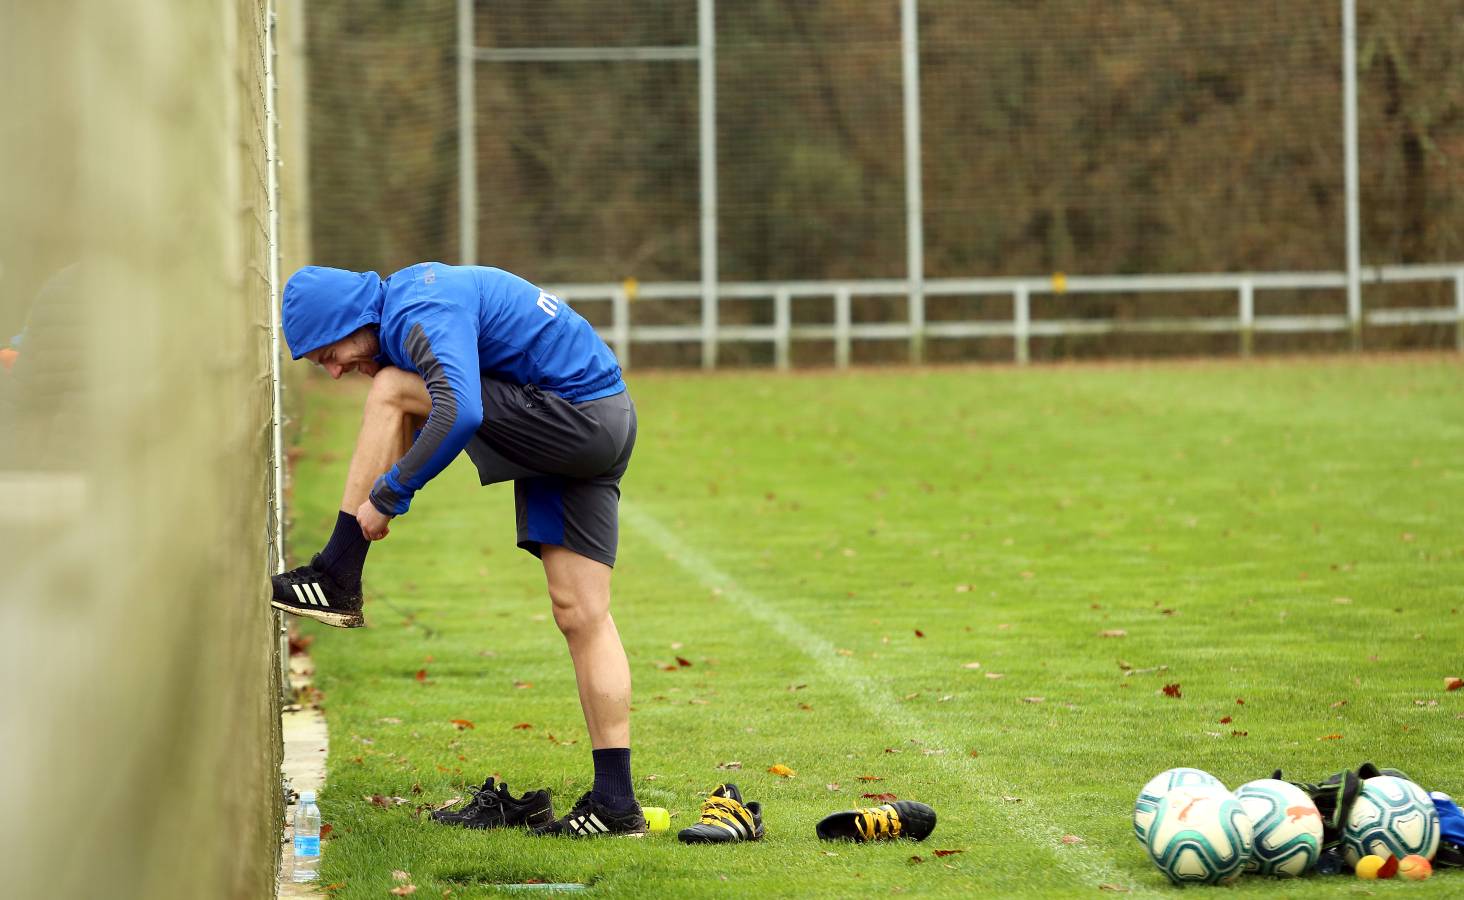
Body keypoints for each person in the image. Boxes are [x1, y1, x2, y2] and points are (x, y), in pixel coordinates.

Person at [271, 262, 645, 837]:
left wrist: (390, 494)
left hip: (578, 417)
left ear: (350, 319)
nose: (336, 370)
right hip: (596, 413)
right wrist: (389, 482)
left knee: (391, 387)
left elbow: (460, 408)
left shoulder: (418, 307)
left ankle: (337, 572)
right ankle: (616, 805)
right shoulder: (410, 309)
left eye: (328, 354)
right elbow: (434, 412)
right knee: (582, 613)